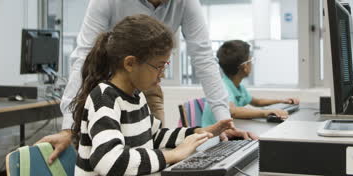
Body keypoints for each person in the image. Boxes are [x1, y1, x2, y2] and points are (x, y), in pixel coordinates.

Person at [37, 0, 256, 164]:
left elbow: (203, 58)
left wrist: (222, 125)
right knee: (114, 154)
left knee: (149, 148)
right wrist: (69, 127)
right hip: (104, 88)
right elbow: (84, 57)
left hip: (143, 86)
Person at [72, 15, 234, 175]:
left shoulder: (137, 96)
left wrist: (200, 133)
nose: (162, 75)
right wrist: (172, 155)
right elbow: (109, 161)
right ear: (130, 63)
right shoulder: (104, 97)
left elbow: (154, 136)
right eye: (159, 66)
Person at [202, 40, 300, 127]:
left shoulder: (237, 87)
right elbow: (232, 111)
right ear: (245, 66)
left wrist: (282, 101)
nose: (252, 64)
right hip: (212, 139)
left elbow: (257, 102)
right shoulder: (223, 87)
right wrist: (265, 113)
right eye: (251, 60)